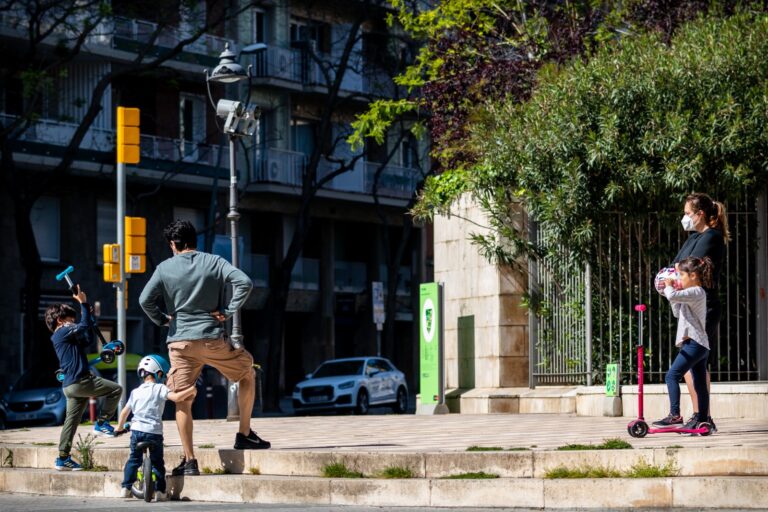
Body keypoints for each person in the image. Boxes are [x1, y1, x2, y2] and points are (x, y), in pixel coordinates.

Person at [139, 219, 269, 478]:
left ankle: (190, 460)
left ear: (174, 244)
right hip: (212, 340)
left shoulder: (164, 268)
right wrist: (228, 311)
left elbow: (145, 300)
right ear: (194, 241)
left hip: (180, 344)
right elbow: (244, 282)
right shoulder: (214, 261)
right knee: (247, 372)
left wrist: (164, 320)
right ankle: (244, 434)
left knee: (183, 398)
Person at [45, 286, 123, 471]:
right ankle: (102, 423)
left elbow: (86, 337)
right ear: (60, 320)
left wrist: (89, 315)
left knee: (70, 422)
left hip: (71, 386)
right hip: (81, 381)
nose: (73, 324)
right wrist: (82, 302)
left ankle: (62, 458)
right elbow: (82, 326)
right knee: (115, 389)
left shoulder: (65, 336)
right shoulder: (62, 332)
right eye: (70, 321)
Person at [670, 193, 729, 430]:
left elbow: (685, 266)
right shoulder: (694, 237)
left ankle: (703, 416)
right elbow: (677, 264)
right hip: (689, 306)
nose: (685, 218)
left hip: (704, 306)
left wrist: (677, 270)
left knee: (697, 362)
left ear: (700, 214)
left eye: (687, 214)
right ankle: (700, 415)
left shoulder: (712, 237)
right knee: (692, 364)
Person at [115, 355, 196, 501]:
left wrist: (119, 428)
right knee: (158, 462)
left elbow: (124, 412)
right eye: (163, 375)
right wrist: (191, 390)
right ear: (158, 373)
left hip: (136, 432)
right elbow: (177, 398)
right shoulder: (160, 388)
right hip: (154, 433)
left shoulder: (135, 392)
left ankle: (125, 487)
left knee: (134, 459)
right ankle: (160, 492)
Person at [653, 256, 714, 432]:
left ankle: (674, 414)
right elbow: (677, 312)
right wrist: (668, 292)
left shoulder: (697, 291)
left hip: (694, 344)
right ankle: (702, 419)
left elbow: (673, 294)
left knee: (671, 375)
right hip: (699, 344)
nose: (678, 278)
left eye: (681, 275)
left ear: (693, 275)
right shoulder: (691, 294)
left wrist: (669, 284)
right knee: (699, 383)